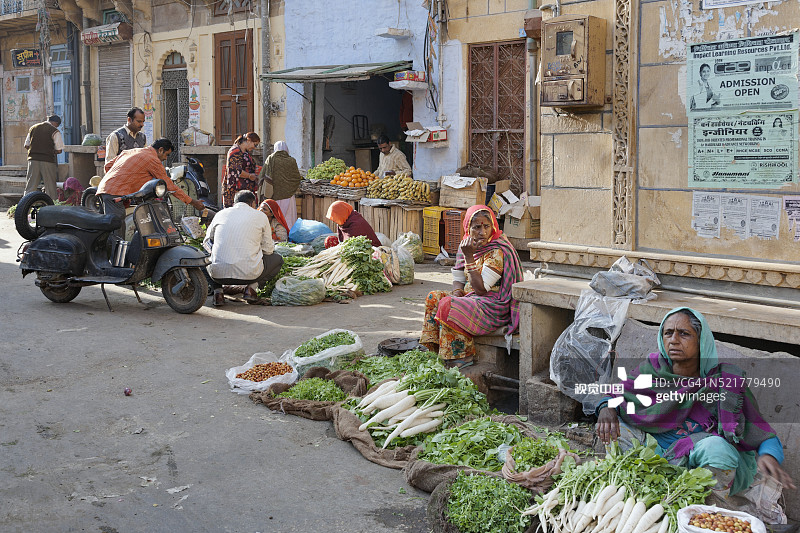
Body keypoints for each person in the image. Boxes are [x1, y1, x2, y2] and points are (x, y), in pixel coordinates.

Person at [596, 307, 795, 518]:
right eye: (668, 333)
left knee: (718, 448)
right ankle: (642, 493)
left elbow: (765, 435)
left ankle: (706, 510)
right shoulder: (650, 371)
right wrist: (606, 407)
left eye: (684, 333)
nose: (674, 340)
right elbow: (615, 394)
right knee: (614, 430)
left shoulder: (725, 382)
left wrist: (769, 456)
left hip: (698, 464)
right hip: (653, 457)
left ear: (702, 341)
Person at [419, 205, 523, 368]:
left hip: (492, 306)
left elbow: (481, 289)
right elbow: (458, 278)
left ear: (493, 226)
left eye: (487, 226)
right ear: (468, 227)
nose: (483, 232)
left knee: (448, 305)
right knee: (434, 297)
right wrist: (457, 292)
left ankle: (461, 356)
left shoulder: (497, 250)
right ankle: (434, 350)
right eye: (477, 227)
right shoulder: (466, 245)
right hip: (471, 298)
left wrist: (469, 257)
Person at [97, 138, 205, 236]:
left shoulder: (131, 151)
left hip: (105, 189)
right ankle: (113, 252)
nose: (165, 158)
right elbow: (169, 185)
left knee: (108, 228)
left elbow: (108, 166)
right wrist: (192, 202)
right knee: (117, 231)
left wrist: (117, 181)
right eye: (166, 155)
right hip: (114, 194)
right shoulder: (153, 159)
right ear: (160, 150)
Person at [203, 190, 283, 306]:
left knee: (200, 258)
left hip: (217, 275)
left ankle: (218, 292)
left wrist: (217, 252)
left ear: (234, 203)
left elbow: (206, 242)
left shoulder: (220, 214)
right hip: (250, 275)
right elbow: (268, 250)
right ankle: (251, 289)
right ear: (252, 204)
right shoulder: (260, 216)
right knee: (278, 260)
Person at [258, 140, 301, 230]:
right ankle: (289, 236)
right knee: (289, 219)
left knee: (276, 218)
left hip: (274, 195)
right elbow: (297, 178)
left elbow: (263, 174)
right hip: (289, 196)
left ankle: (276, 235)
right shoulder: (292, 160)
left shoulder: (271, 158)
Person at [23, 115, 64, 200]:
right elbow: (59, 150)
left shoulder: (33, 128)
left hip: (32, 160)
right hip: (47, 160)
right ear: (56, 123)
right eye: (57, 125)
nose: (57, 127)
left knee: (30, 185)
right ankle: (52, 204)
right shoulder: (54, 131)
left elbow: (26, 145)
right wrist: (50, 151)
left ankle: (25, 204)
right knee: (50, 186)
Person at [222, 132, 260, 208]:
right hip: (235, 192)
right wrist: (249, 176)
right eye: (255, 145)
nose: (255, 148)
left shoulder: (245, 152)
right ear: (248, 140)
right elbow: (235, 171)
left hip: (244, 193)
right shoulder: (235, 151)